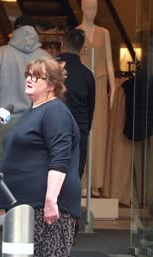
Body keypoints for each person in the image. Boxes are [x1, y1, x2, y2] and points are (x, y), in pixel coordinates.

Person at [0, 58, 81, 257]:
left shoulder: (55, 111)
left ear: (51, 85)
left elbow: (60, 157)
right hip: (26, 208)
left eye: (36, 76)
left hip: (45, 208)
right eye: (28, 75)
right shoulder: (33, 111)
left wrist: (51, 200)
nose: (29, 79)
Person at [0, 16, 51, 227]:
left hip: (5, 118)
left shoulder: (0, 54)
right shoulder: (46, 57)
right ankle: (30, 214)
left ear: (14, 31)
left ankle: (2, 213)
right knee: (35, 166)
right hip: (37, 119)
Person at [77, 0, 116, 198]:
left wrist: (113, 87)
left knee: (98, 136)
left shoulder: (104, 33)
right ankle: (82, 182)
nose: (92, 12)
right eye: (89, 8)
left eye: (95, 9)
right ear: (82, 8)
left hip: (100, 86)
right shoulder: (76, 33)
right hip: (83, 87)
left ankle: (95, 184)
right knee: (84, 133)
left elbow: (109, 61)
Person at [57, 28, 95, 179]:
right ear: (82, 48)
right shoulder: (87, 73)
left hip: (55, 125)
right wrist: (86, 128)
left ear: (61, 44)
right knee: (75, 171)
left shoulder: (51, 68)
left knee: (52, 169)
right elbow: (90, 107)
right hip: (80, 125)